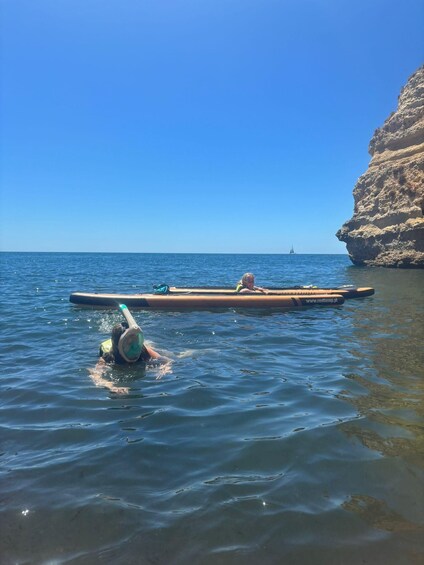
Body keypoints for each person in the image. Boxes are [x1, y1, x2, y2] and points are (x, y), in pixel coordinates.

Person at [88, 305, 172, 394]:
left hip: (147, 347)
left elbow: (166, 360)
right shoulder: (108, 358)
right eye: (129, 343)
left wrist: (164, 369)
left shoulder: (142, 350)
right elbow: (95, 375)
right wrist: (111, 386)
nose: (134, 346)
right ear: (118, 346)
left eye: (135, 341)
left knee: (161, 350)